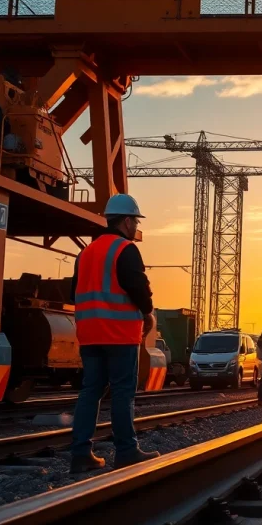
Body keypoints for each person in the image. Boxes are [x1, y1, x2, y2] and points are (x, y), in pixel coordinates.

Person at [68, 193, 161, 473]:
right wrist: (147, 313)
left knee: (90, 391)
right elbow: (139, 289)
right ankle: (126, 450)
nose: (136, 227)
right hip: (119, 333)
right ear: (127, 220)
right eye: (135, 221)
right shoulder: (125, 250)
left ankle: (81, 454)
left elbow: (74, 291)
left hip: (89, 334)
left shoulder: (86, 252)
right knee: (123, 392)